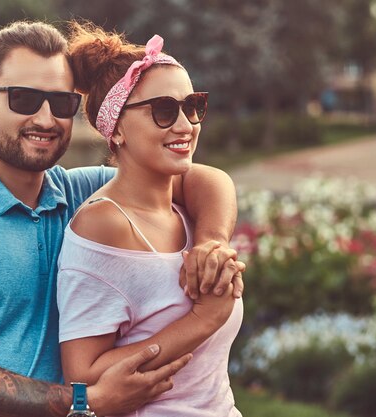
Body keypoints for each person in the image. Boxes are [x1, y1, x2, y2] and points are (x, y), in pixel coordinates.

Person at [0, 20, 244, 417]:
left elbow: (205, 179)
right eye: (24, 99)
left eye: (62, 103)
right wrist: (85, 402)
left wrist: (211, 242)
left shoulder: (81, 194)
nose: (47, 119)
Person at [56, 24, 243, 417]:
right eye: (163, 110)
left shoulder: (186, 207)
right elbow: (82, 374)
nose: (186, 125)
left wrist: (212, 241)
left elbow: (214, 178)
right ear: (117, 128)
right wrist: (203, 319)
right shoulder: (104, 224)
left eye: (192, 105)